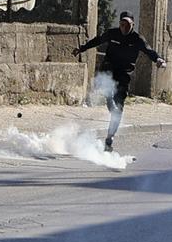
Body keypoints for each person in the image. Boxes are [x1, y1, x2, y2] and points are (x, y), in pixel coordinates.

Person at [71, 12, 166, 152]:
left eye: (127, 24)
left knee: (119, 108)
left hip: (124, 75)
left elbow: (148, 50)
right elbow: (97, 40)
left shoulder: (137, 39)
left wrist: (158, 59)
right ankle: (109, 99)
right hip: (109, 70)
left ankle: (110, 138)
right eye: (122, 24)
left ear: (132, 24)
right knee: (108, 90)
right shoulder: (112, 33)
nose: (124, 27)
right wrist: (82, 48)